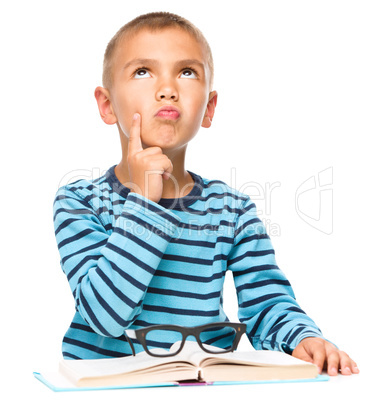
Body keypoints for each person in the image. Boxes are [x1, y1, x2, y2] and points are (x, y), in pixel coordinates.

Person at [53, 11, 359, 376]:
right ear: (107, 105)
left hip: (204, 384)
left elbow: (266, 304)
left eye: (186, 72)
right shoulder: (81, 201)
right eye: (142, 71)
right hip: (109, 389)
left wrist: (302, 338)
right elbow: (105, 316)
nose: (167, 88)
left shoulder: (232, 209)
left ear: (209, 108)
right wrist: (145, 204)